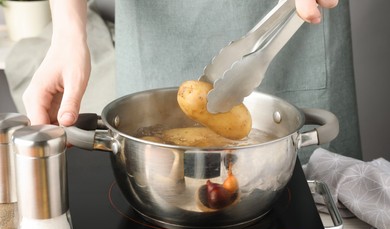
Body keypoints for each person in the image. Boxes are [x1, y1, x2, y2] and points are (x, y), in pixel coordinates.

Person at [22, 0, 362, 161]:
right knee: (154, 161)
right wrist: (67, 32)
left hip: (299, 25)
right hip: (156, 34)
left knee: (325, 202)